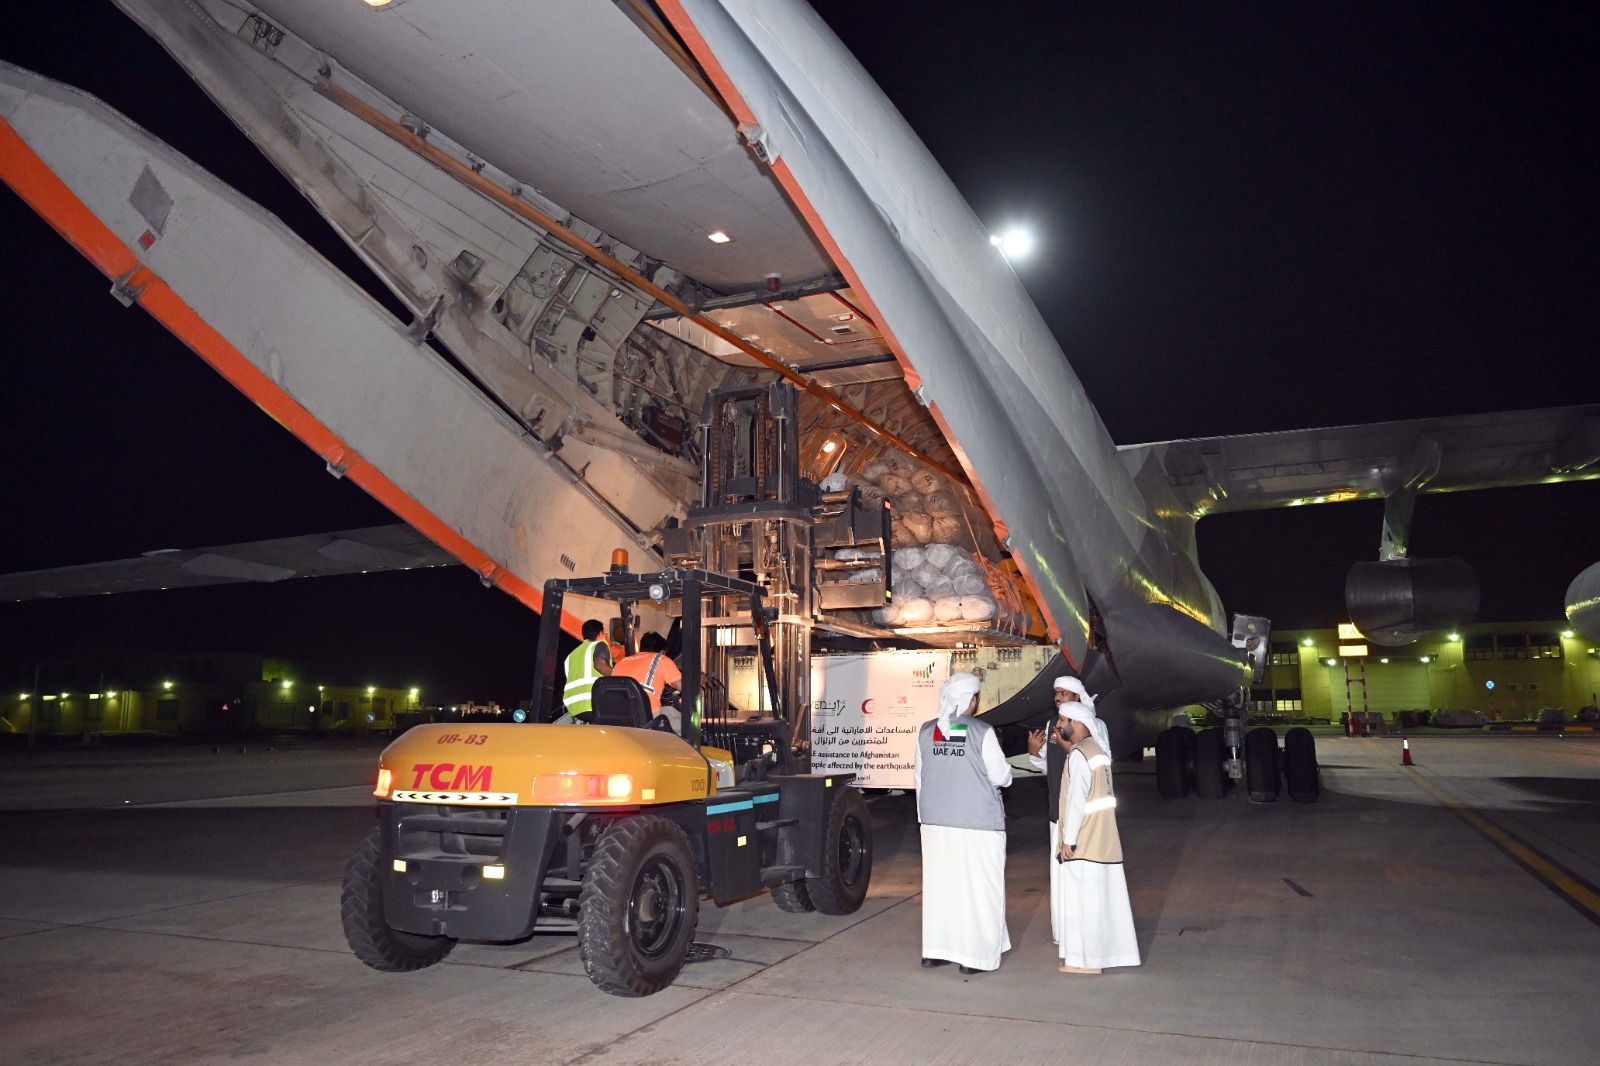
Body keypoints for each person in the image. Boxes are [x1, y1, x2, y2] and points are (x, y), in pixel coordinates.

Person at [914, 671, 1012, 974]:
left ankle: (937, 951)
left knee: (943, 889)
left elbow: (919, 778)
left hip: (935, 822)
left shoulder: (927, 730)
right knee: (981, 890)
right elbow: (1001, 777)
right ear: (972, 700)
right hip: (977, 824)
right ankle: (977, 957)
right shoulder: (982, 731)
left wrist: (924, 818)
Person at [1042, 676, 1140, 974]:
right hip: (1102, 837)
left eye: (1063, 721)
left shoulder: (1079, 755)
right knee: (1102, 901)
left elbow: (1076, 802)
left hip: (1084, 840)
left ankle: (1086, 962)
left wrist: (1068, 841)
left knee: (1084, 902)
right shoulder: (1095, 751)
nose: (1059, 725)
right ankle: (1102, 956)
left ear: (1077, 722)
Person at [612, 632, 683, 732]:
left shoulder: (621, 662)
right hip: (648, 716)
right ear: (662, 652)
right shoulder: (660, 659)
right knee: (687, 724)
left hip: (619, 716)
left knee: (670, 711)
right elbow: (683, 686)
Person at [560, 620, 612, 721]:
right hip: (593, 702)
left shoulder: (571, 655)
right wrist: (619, 677)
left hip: (574, 707)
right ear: (600, 633)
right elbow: (600, 665)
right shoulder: (599, 644)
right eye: (605, 634)